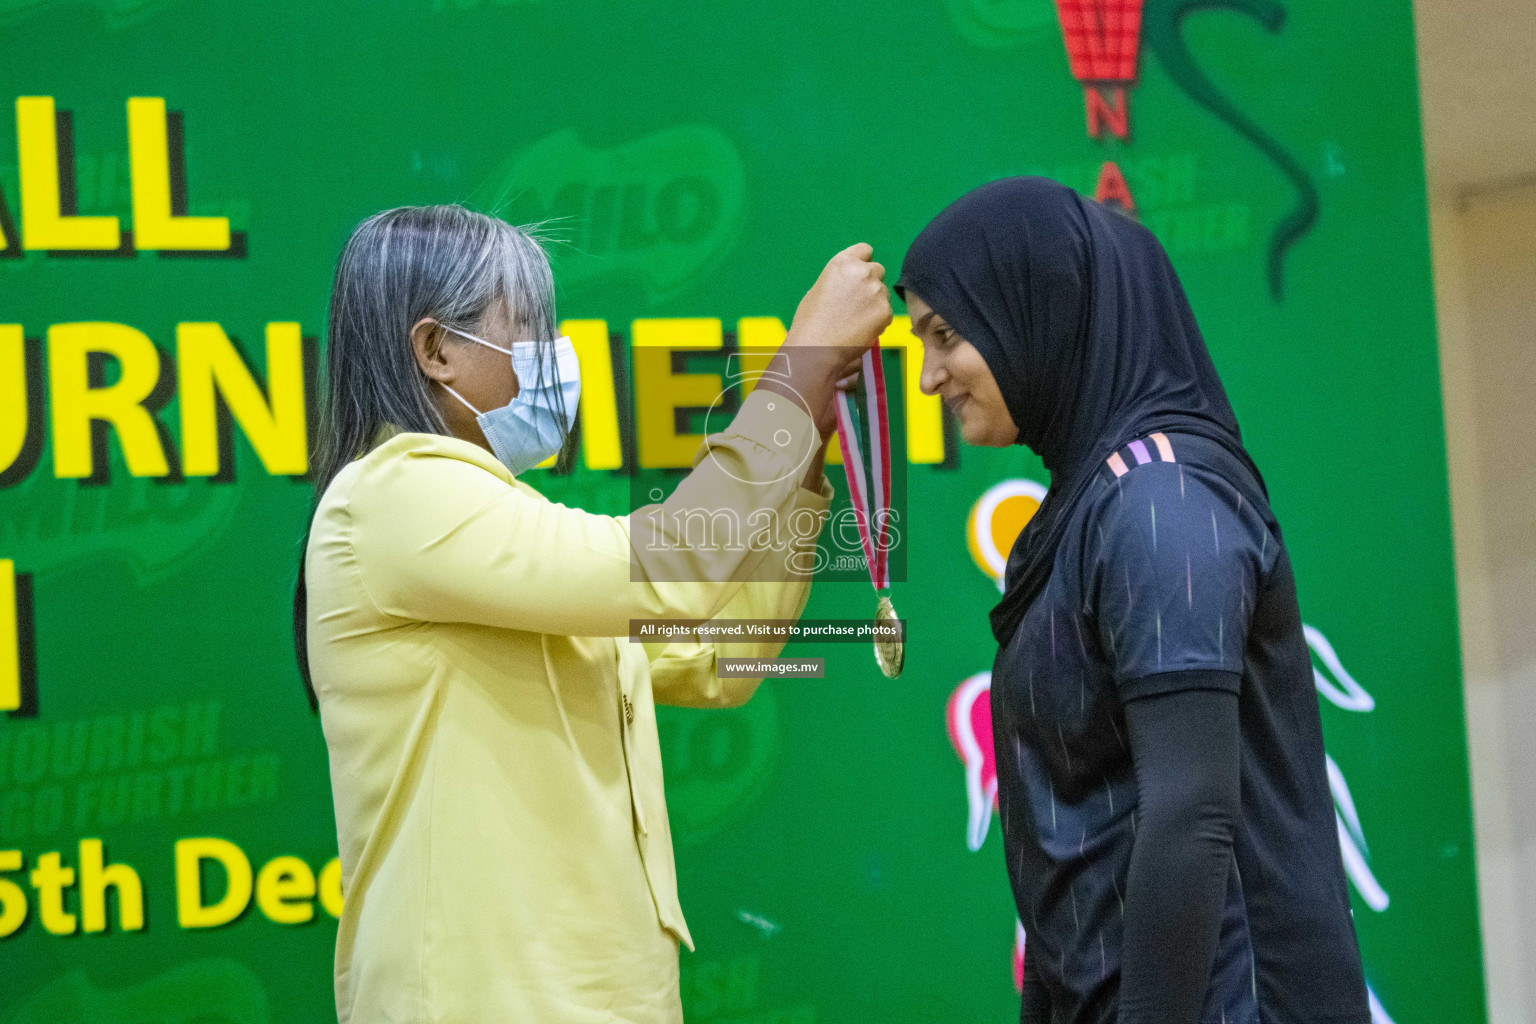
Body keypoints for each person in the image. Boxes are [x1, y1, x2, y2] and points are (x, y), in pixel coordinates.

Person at [294, 204, 890, 1023]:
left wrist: (806, 444)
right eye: (528, 326)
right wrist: (794, 372)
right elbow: (676, 566)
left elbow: (729, 654)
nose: (554, 354)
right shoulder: (396, 495)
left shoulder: (496, 536)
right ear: (435, 350)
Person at [897, 178, 1370, 1024]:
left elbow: (1190, 815)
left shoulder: (1161, 501)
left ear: (1041, 308)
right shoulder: (1083, 514)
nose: (930, 377)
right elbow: (1066, 842)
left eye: (947, 335)